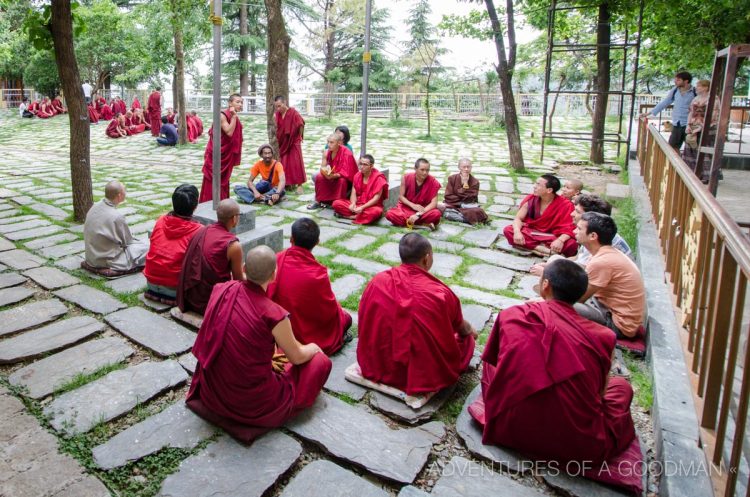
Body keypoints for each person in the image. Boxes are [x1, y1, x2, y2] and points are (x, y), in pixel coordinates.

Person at [470, 259, 641, 494]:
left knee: (492, 365)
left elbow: (496, 359)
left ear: (545, 286)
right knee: (622, 388)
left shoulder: (513, 315)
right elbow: (599, 394)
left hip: (509, 424)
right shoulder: (603, 337)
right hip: (578, 444)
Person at [186, 246, 332, 443]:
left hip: (213, 387)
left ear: (244, 268)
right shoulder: (275, 314)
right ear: (273, 276)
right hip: (250, 400)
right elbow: (297, 357)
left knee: (278, 349)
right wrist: (314, 348)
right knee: (320, 363)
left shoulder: (222, 289)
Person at [357, 233, 477, 395]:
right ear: (427, 258)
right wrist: (470, 331)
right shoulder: (440, 293)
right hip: (423, 375)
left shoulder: (377, 281)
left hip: (379, 364)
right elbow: (461, 328)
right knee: (467, 340)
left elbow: (366, 320)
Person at [268, 218, 352, 355]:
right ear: (317, 242)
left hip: (279, 328)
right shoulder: (318, 273)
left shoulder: (277, 259)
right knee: (346, 318)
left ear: (291, 239)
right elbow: (328, 311)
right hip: (304, 333)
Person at [574, 212, 645, 338]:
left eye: (579, 229)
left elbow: (580, 298)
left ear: (593, 236)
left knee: (560, 305)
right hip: (605, 307)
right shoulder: (605, 252)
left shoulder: (602, 261)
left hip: (618, 324)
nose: (575, 231)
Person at [530, 194, 633, 276]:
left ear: (591, 217)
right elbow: (578, 257)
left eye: (577, 211)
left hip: (599, 293)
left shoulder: (598, 241)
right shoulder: (593, 231)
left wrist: (548, 272)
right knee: (555, 260)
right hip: (589, 275)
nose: (572, 214)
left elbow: (583, 275)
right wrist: (551, 265)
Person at [177, 199, 244, 315]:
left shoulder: (202, 230)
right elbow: (239, 280)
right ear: (234, 219)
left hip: (191, 298)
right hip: (213, 302)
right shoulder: (233, 245)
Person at [143, 184, 203, 305]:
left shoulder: (161, 220)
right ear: (196, 206)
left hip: (151, 282)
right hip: (175, 288)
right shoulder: (199, 230)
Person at [82, 181, 149, 274]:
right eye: (125, 190)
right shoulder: (117, 217)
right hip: (107, 260)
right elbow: (128, 242)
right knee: (148, 247)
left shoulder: (95, 206)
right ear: (119, 195)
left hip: (91, 256)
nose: (126, 192)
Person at [503, 174, 577, 256]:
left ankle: (529, 246)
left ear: (549, 190)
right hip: (533, 232)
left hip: (552, 236)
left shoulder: (566, 205)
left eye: (538, 185)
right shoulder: (531, 199)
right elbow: (518, 218)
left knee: (572, 244)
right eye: (535, 183)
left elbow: (570, 227)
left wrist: (560, 240)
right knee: (508, 230)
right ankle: (542, 250)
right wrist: (517, 232)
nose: (534, 186)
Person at [199, 94, 244, 203]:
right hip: (218, 153)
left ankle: (222, 201)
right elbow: (229, 132)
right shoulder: (223, 115)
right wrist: (233, 117)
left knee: (224, 179)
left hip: (226, 153)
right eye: (237, 102)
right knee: (213, 178)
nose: (240, 104)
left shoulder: (233, 116)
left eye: (241, 102)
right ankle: (209, 201)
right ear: (230, 103)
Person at [641, 71, 696, 151]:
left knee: (691, 149)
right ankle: (674, 163)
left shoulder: (694, 91)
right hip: (677, 123)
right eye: (675, 80)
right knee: (672, 148)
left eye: (678, 80)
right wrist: (649, 113)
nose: (675, 82)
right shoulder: (675, 90)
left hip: (690, 124)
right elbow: (665, 102)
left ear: (686, 81)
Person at [385, 158, 442, 230]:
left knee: (436, 214)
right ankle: (422, 225)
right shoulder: (406, 177)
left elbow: (434, 204)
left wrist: (418, 214)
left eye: (427, 170)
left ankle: (410, 223)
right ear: (415, 169)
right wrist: (413, 205)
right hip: (407, 208)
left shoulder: (433, 182)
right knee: (390, 214)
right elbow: (401, 197)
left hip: (423, 210)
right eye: (422, 170)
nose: (425, 173)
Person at [332, 154, 388, 224]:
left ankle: (350, 217)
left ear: (371, 166)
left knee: (375, 212)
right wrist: (353, 204)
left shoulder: (378, 178)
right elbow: (353, 193)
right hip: (358, 205)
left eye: (365, 165)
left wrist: (362, 207)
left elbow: (376, 199)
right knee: (336, 203)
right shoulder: (357, 176)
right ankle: (359, 216)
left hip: (371, 206)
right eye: (360, 164)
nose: (362, 167)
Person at [307, 133, 358, 209]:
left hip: (343, 177)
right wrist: (326, 173)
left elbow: (348, 173)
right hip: (331, 174)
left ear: (339, 143)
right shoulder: (326, 152)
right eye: (328, 142)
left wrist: (334, 176)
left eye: (331, 142)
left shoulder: (347, 153)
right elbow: (323, 167)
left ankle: (336, 202)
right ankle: (319, 201)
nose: (328, 145)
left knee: (341, 181)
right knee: (319, 177)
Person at [438, 158, 488, 225]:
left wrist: (465, 184)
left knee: (479, 211)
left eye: (468, 167)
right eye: (464, 167)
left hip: (468, 206)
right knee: (439, 206)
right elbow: (448, 196)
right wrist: (460, 203)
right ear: (459, 167)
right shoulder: (452, 178)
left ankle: (455, 216)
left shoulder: (475, 182)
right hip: (453, 205)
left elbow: (471, 198)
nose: (466, 169)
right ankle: (466, 218)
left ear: (471, 168)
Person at [274, 95, 306, 194]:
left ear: (284, 103)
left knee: (296, 162)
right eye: (276, 106)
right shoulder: (277, 114)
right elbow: (278, 128)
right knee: (285, 162)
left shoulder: (293, 113)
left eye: (279, 106)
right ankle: (286, 183)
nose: (278, 108)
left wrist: (299, 138)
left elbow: (301, 124)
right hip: (283, 142)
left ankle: (299, 185)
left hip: (294, 141)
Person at [682, 79, 712, 182]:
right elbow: (690, 112)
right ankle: (692, 172)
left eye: (699, 86)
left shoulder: (713, 99)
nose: (697, 88)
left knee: (703, 151)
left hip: (706, 128)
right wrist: (688, 125)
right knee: (691, 149)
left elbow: (713, 115)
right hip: (694, 126)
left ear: (705, 87)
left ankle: (706, 175)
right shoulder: (695, 98)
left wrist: (702, 127)